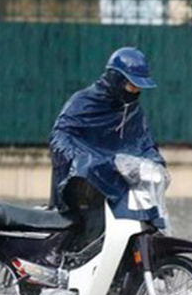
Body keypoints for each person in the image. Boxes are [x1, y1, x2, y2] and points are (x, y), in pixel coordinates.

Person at [49, 47, 165, 243]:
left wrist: (155, 162)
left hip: (119, 184)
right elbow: (60, 137)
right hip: (85, 187)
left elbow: (145, 143)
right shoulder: (83, 102)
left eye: (139, 87)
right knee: (92, 230)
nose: (135, 92)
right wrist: (81, 159)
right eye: (132, 85)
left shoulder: (133, 111)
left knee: (147, 224)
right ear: (117, 80)